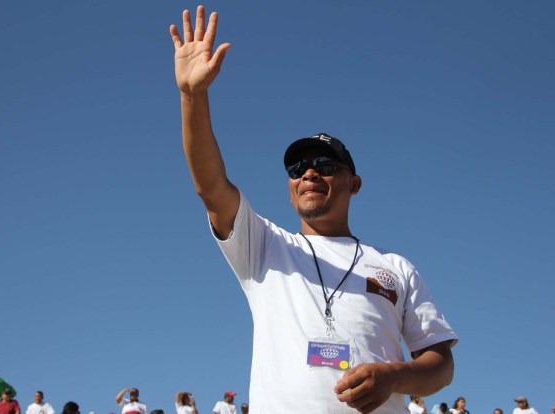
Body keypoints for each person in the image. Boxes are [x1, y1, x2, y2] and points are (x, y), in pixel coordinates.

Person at [169, 5, 458, 414]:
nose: (309, 173)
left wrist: (393, 376)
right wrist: (192, 96)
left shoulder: (396, 267)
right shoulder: (265, 246)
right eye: (297, 167)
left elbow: (441, 364)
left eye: (325, 166)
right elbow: (210, 185)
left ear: (353, 184)